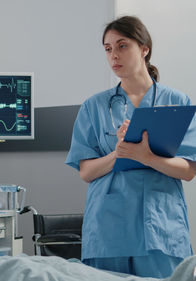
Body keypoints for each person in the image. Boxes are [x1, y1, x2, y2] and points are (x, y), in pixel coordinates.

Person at [65, 16, 196, 278]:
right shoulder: (94, 106)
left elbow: (188, 170)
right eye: (108, 49)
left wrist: (145, 156)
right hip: (108, 230)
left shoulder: (176, 101)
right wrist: (118, 153)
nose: (114, 55)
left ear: (144, 48)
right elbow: (86, 172)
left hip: (160, 228)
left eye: (122, 46)